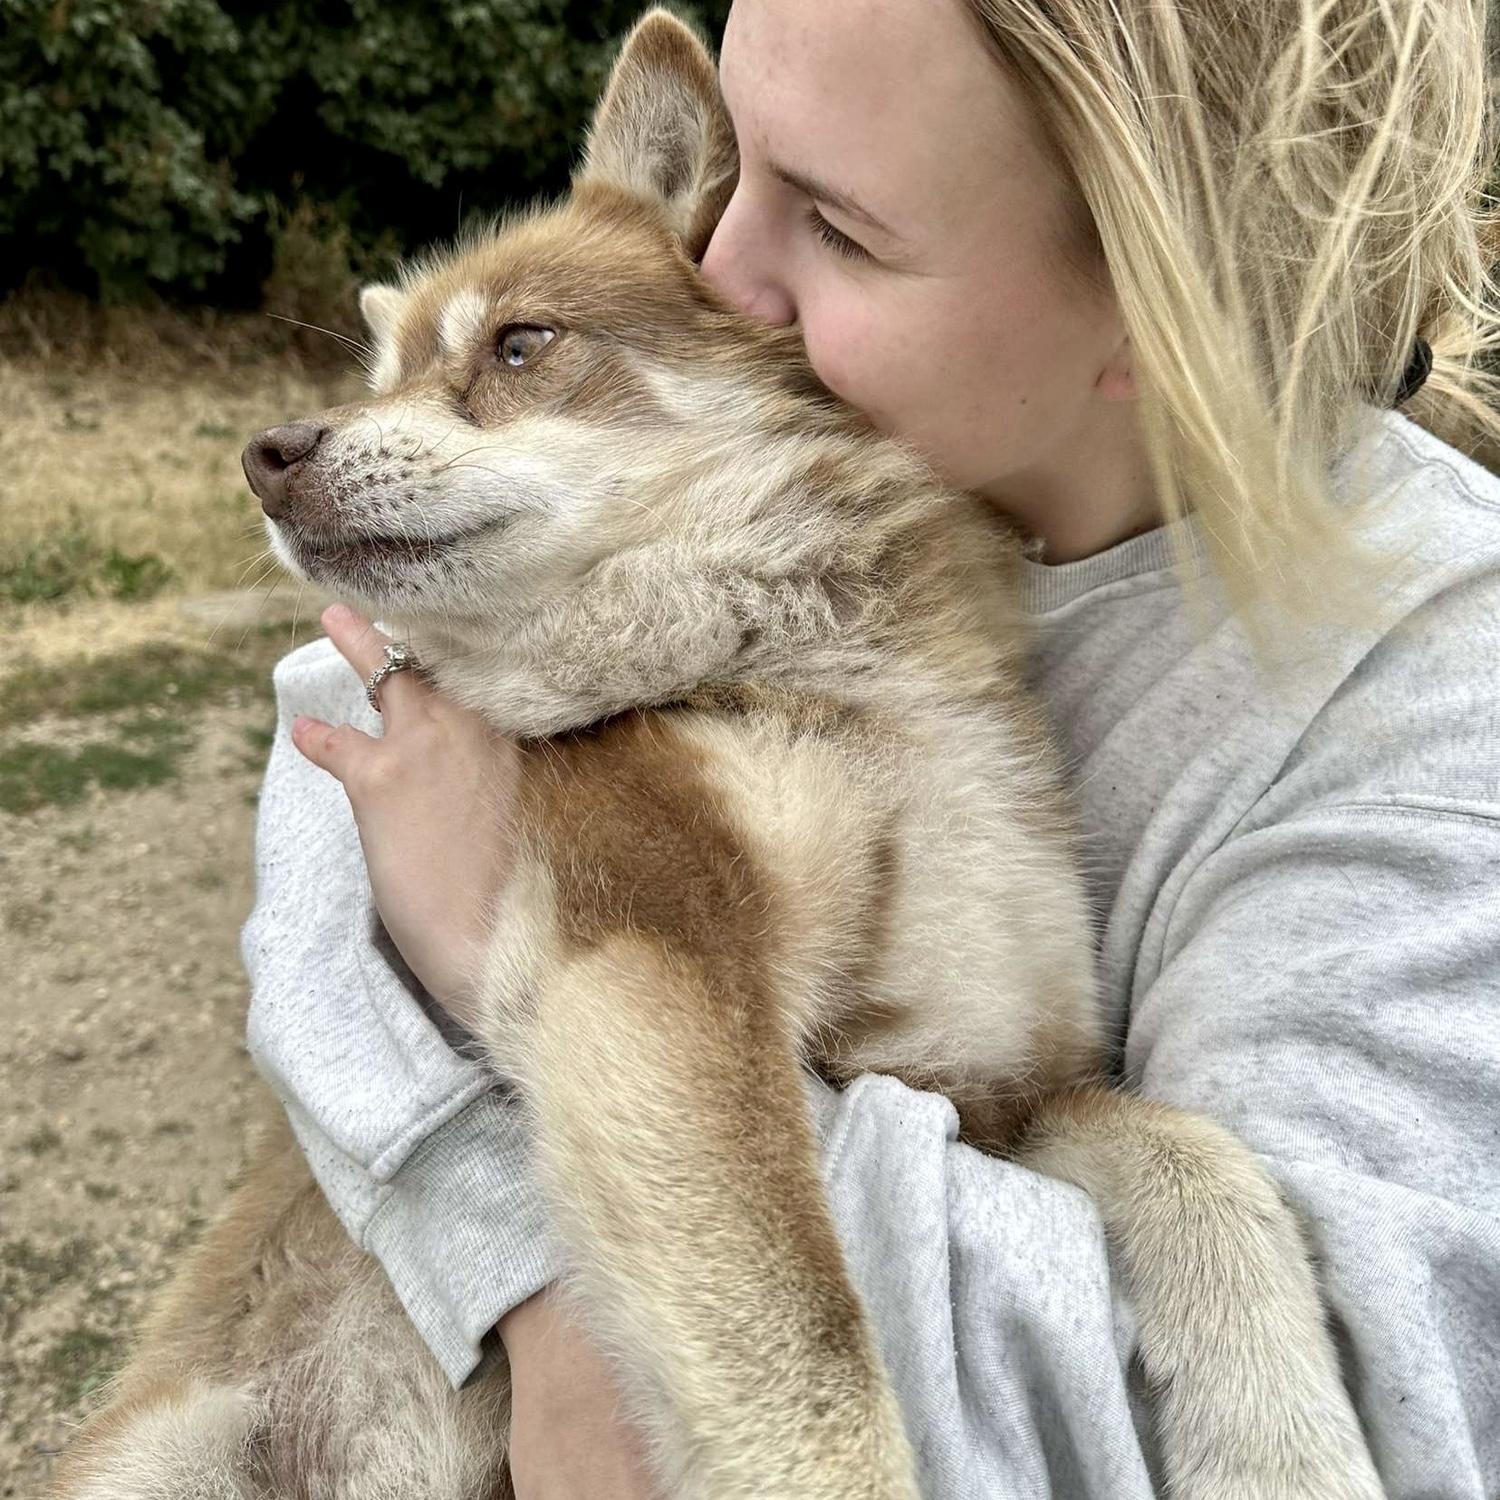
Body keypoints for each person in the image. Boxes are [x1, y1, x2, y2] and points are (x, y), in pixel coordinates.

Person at [241, 0, 1500, 1493]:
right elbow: (351, 717)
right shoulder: (839, 502)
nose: (707, 269)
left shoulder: (1429, 703)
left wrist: (501, 990)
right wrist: (529, 1256)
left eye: (836, 224)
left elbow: (1360, 1409)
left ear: (1165, 301)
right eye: (737, 173)